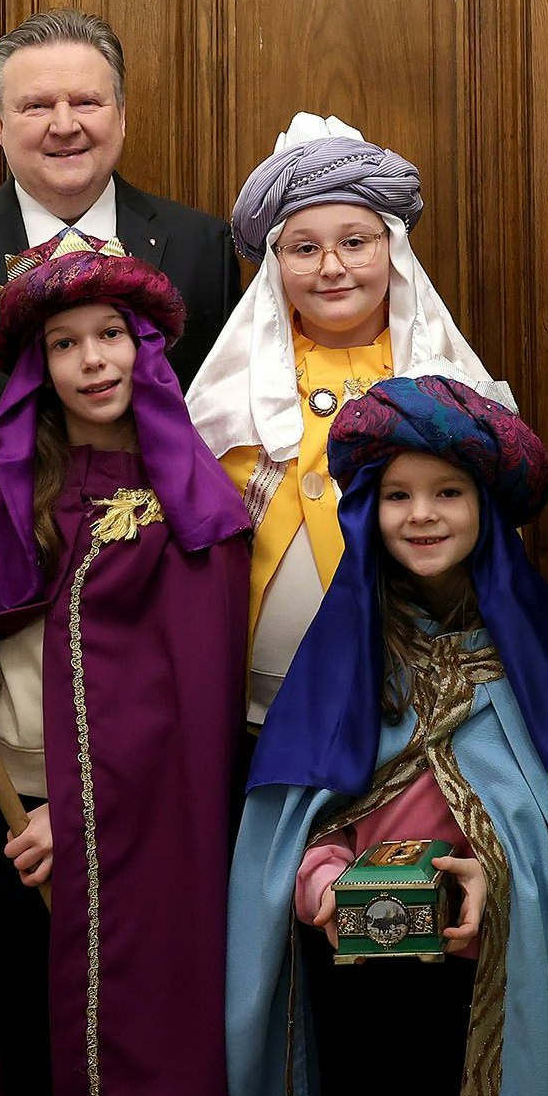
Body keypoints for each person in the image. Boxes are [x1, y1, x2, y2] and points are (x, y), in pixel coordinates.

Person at [0, 230, 250, 1096]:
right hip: (20, 818)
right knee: (24, 1034)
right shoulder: (10, 499)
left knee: (127, 1045)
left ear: (143, 347)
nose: (91, 361)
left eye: (110, 335)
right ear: (39, 367)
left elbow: (189, 714)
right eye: (65, 343)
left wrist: (87, 822)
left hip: (138, 830)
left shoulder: (196, 505)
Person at [223, 376, 548, 1096]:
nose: (422, 515)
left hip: (486, 976)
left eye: (448, 493)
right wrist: (323, 884)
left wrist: (497, 878)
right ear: (369, 512)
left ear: (485, 509)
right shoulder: (344, 655)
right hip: (357, 985)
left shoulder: (533, 659)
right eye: (398, 496)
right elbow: (290, 827)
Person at [0, 8, 242, 707]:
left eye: (87, 102)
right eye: (36, 105)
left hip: (157, 618)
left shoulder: (201, 247)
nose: (65, 124)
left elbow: (224, 432)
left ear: (121, 117)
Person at [186, 113, 509, 726]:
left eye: (355, 242)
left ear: (393, 251)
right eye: (305, 248)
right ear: (276, 264)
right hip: (255, 707)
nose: (332, 267)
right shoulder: (230, 395)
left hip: (414, 701)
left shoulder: (448, 385)